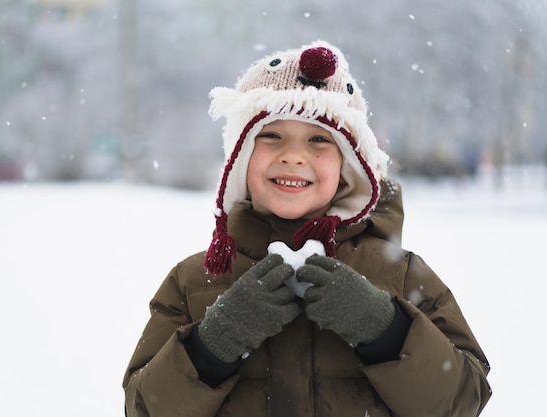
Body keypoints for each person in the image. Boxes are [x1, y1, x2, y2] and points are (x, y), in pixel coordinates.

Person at [122, 40, 491, 417]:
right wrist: (215, 341)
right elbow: (144, 409)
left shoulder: (402, 273)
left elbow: (462, 401)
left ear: (349, 165)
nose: (294, 155)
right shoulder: (193, 280)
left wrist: (385, 330)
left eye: (319, 139)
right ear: (240, 156)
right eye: (271, 135)